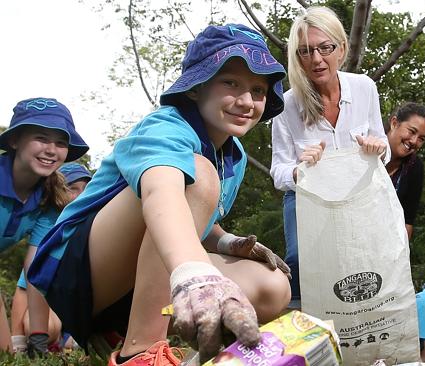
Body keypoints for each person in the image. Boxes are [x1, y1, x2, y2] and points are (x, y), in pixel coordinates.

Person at [28, 24, 291, 366]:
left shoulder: (233, 154)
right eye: (231, 83)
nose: (246, 101)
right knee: (196, 174)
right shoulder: (165, 126)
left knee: (274, 285)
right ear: (196, 88)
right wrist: (195, 274)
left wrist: (226, 242)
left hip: (139, 283)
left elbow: (188, 218)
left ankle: (125, 334)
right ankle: (140, 350)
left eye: (258, 90)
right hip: (78, 275)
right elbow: (161, 192)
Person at [270, 6, 390, 307]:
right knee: (300, 260)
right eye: (306, 51)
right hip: (307, 198)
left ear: (342, 48)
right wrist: (299, 170)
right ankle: (302, 322)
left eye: (325, 48)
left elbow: (383, 146)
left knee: (366, 261)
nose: (316, 59)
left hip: (357, 194)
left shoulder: (365, 88)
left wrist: (377, 148)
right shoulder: (285, 106)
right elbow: (278, 172)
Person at [0, 97, 88, 354]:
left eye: (61, 142)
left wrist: (38, 337)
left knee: (5, 352)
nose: (52, 150)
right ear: (15, 141)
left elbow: (34, 269)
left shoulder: (49, 201)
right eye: (41, 137)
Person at [10, 163, 91, 353]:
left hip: (77, 309)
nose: (80, 195)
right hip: (48, 307)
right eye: (73, 189)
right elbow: (24, 288)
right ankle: (40, 342)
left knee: (75, 341)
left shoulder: (93, 227)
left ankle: (77, 338)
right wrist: (17, 339)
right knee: (47, 327)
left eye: (86, 190)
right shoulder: (49, 228)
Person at [384, 102, 425, 240]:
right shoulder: (367, 144)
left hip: (382, 241)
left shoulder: (415, 167)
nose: (414, 141)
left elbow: (407, 220)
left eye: (422, 139)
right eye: (411, 131)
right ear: (394, 123)